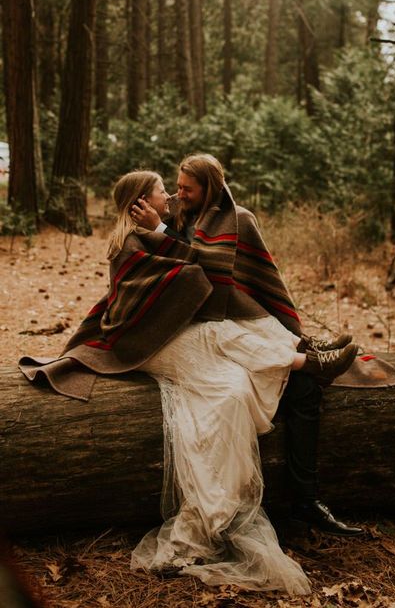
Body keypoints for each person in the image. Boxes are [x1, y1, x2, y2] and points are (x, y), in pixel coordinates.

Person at [19, 165, 358, 595]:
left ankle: (214, 510)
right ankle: (306, 361)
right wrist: (170, 248)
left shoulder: (169, 228)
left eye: (177, 191)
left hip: (169, 334)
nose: (171, 199)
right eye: (164, 192)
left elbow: (199, 267)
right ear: (140, 203)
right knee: (221, 333)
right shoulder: (129, 243)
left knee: (233, 392)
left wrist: (171, 244)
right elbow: (183, 277)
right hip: (146, 343)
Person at [130, 154, 364, 538]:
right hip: (208, 335)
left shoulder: (238, 221)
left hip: (243, 323)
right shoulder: (172, 220)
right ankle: (308, 358)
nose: (178, 194)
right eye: (177, 186)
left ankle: (306, 500)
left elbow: (245, 277)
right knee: (272, 386)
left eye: (188, 189)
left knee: (303, 388)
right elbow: (173, 269)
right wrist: (158, 227)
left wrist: (164, 233)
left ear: (210, 190)